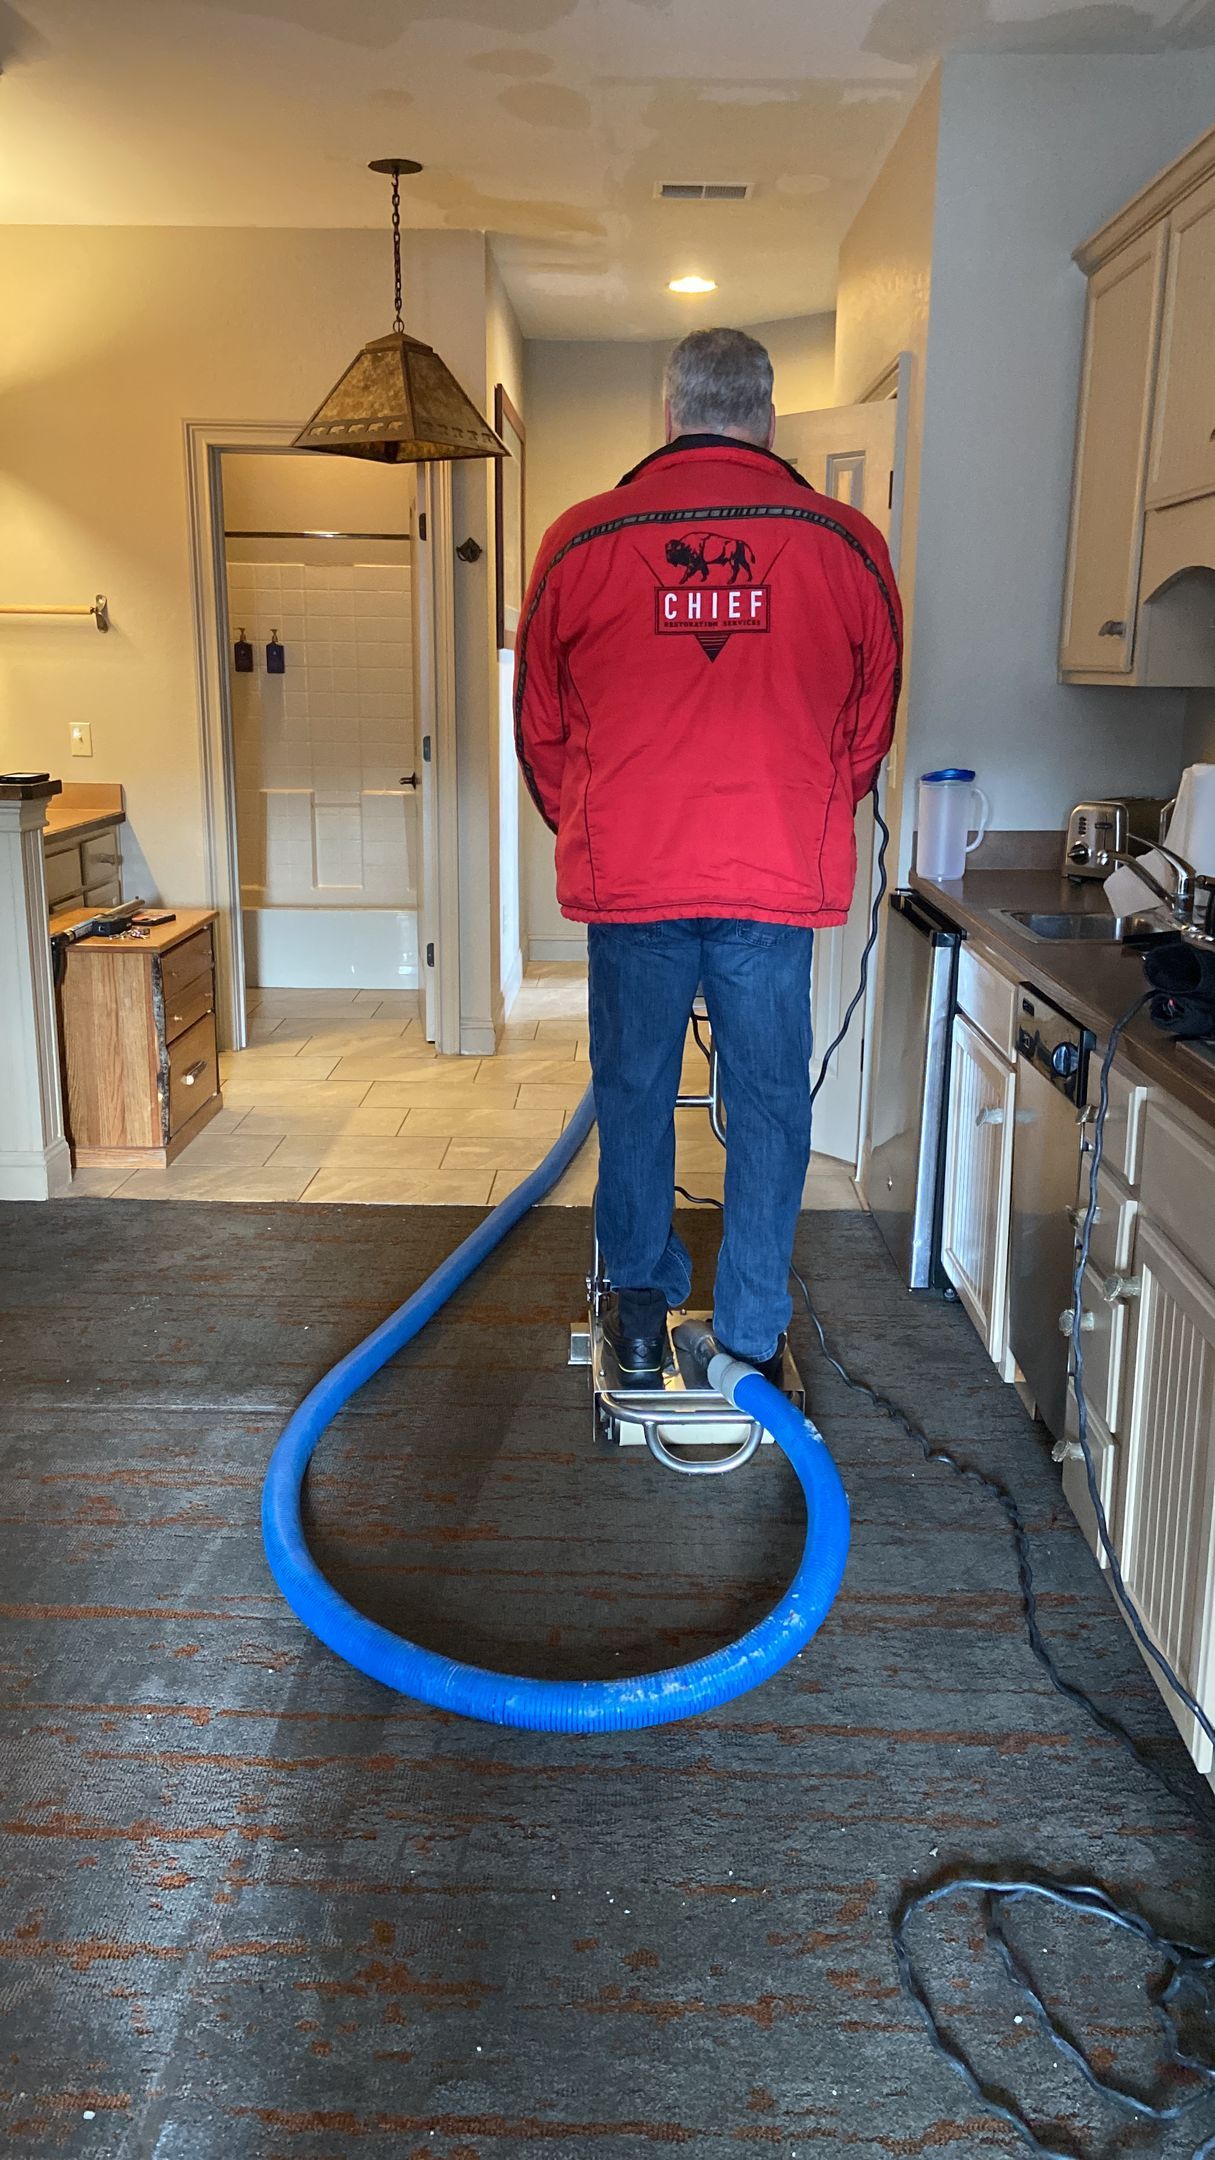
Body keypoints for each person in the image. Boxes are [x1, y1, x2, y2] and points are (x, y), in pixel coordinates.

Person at [514, 326, 902, 1384]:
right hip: (773, 883)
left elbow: (538, 730)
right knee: (772, 1103)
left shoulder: (579, 542)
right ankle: (749, 1334)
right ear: (767, 417)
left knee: (633, 1090)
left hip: (632, 881)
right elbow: (867, 734)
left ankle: (638, 1320)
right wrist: (800, 815)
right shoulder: (848, 544)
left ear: (670, 414)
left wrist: (597, 823)